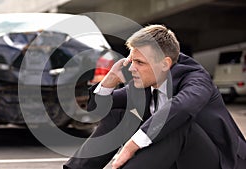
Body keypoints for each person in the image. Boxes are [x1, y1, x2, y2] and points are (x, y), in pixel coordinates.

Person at [63, 24, 246, 169]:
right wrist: (109, 80)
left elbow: (182, 107)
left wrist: (132, 144)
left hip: (221, 162)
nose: (132, 68)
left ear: (165, 63)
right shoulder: (142, 83)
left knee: (178, 124)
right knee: (119, 113)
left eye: (139, 62)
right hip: (174, 160)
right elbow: (98, 109)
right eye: (131, 60)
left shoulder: (196, 78)